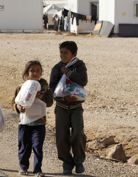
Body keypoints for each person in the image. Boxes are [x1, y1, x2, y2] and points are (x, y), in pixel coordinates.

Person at [49, 41, 88, 176]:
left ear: (74, 54)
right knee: (62, 136)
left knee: (78, 133)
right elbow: (52, 88)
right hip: (61, 107)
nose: (62, 55)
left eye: (66, 52)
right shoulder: (56, 68)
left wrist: (69, 73)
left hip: (77, 107)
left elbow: (83, 81)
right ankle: (66, 163)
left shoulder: (79, 66)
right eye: (61, 52)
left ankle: (79, 161)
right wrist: (64, 98)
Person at [12, 60, 53, 177]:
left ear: (41, 72)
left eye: (38, 70)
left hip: (39, 122)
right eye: (32, 70)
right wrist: (18, 107)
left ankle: (37, 169)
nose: (35, 73)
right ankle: (23, 167)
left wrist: (40, 95)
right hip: (24, 122)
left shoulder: (44, 88)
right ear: (26, 74)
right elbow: (13, 102)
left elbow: (50, 102)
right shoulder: (21, 87)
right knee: (24, 146)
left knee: (37, 146)